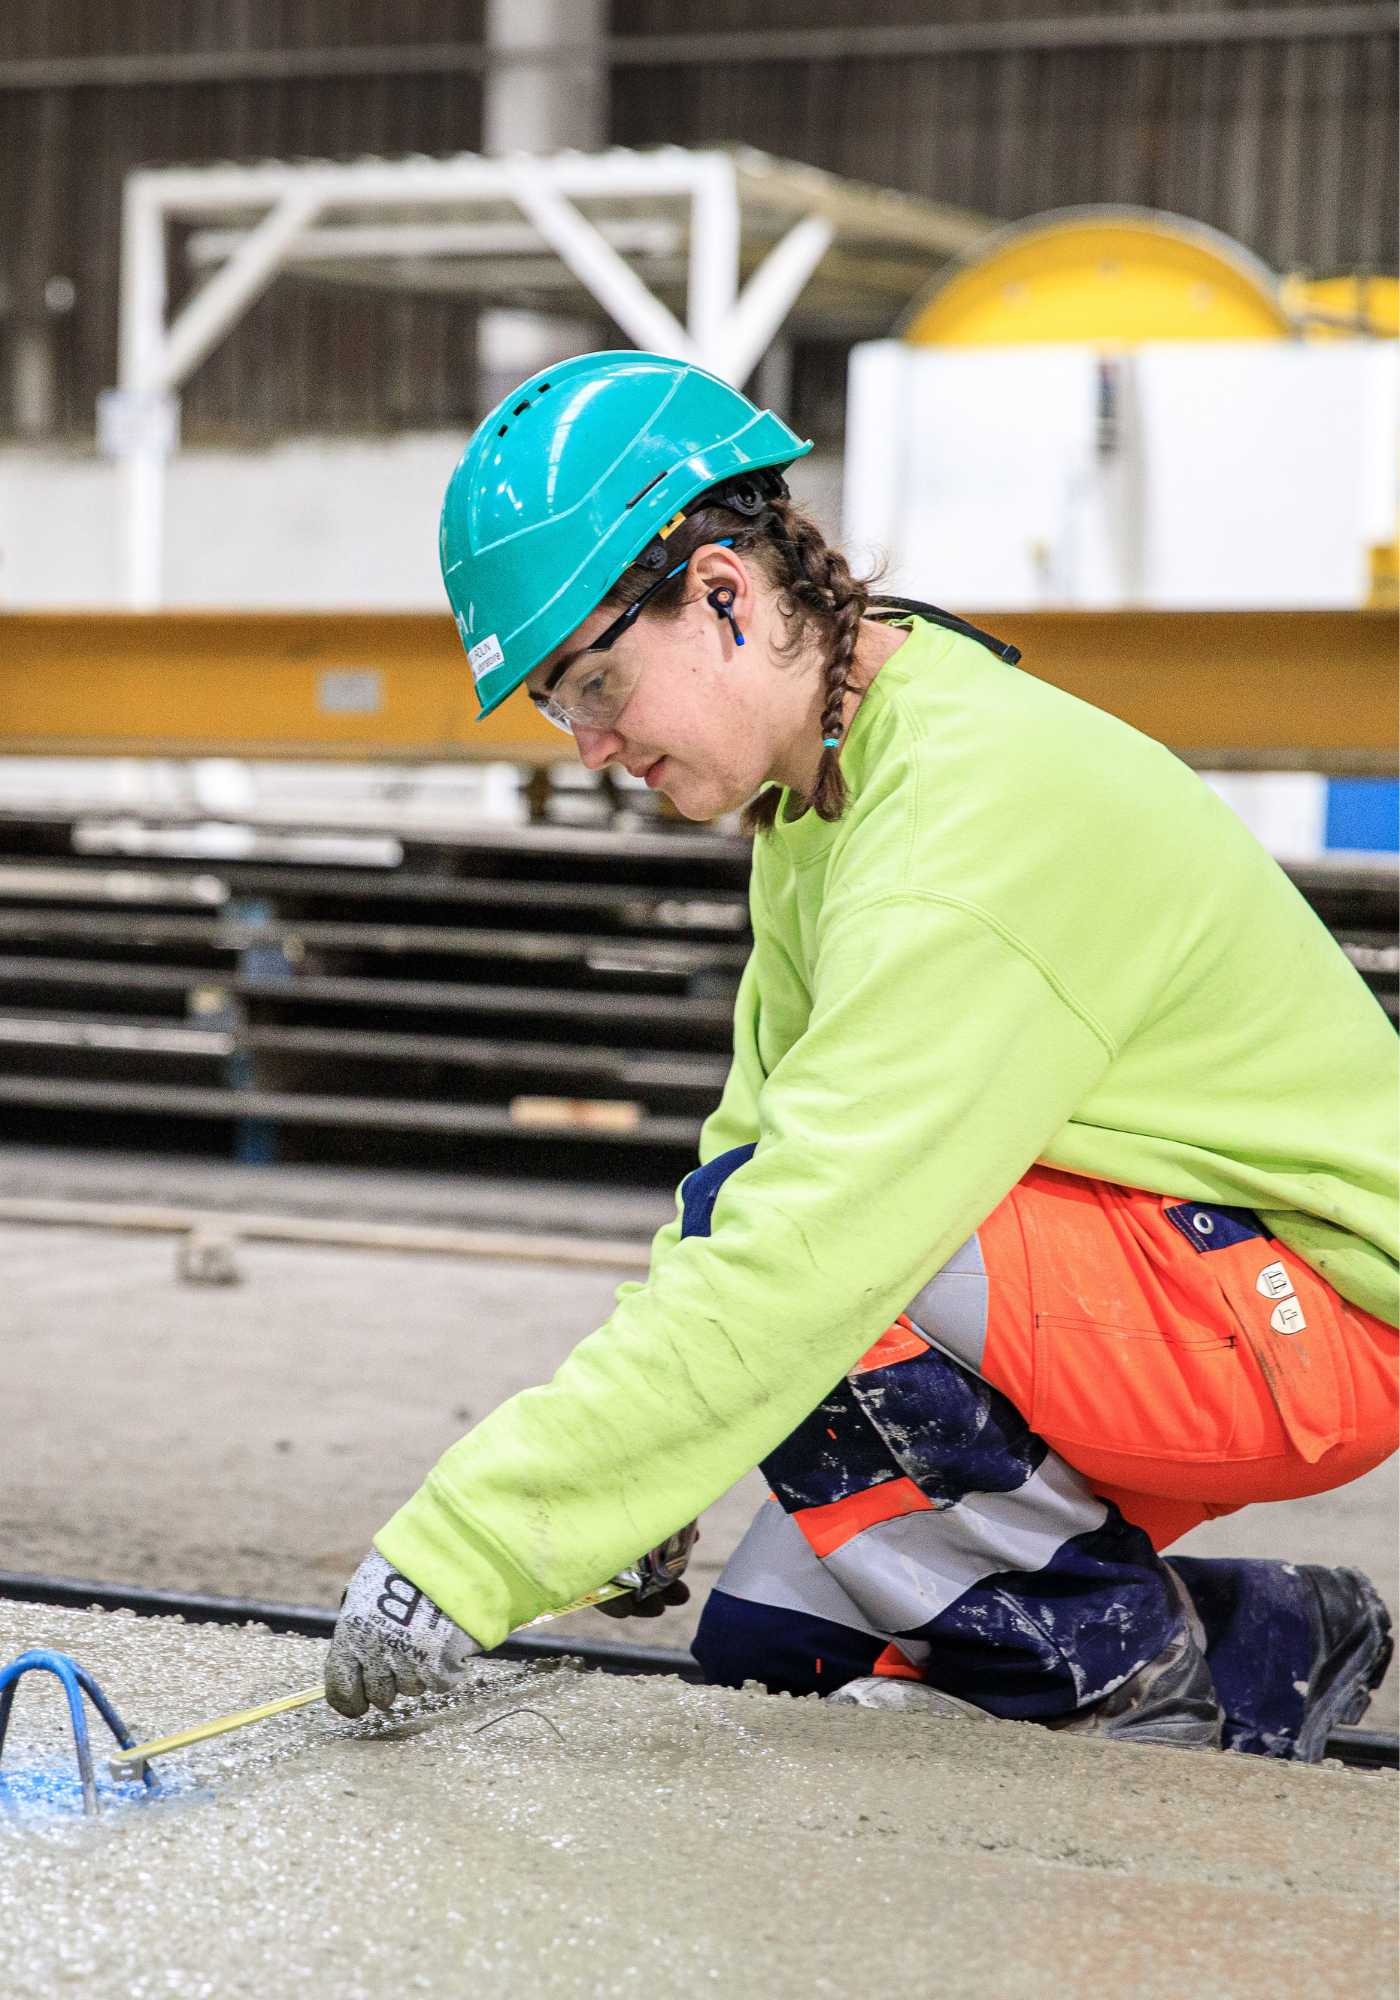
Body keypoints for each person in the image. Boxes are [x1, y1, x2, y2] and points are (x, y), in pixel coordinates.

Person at [324, 353, 1397, 1756]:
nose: (588, 744)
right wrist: (635, 1483)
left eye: (594, 679)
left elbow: (807, 1242)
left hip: (1308, 1315)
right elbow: (747, 1159)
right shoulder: (826, 790)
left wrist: (472, 1547)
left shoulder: (962, 814)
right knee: (780, 1652)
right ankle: (1269, 1645)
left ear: (723, 591)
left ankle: (1129, 1677)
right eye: (554, 704)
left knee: (827, 1282)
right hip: (1182, 1284)